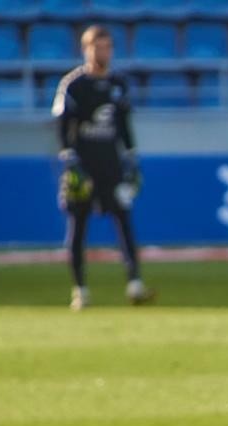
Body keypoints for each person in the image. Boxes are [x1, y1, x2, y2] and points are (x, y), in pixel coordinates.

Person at [53, 24, 153, 311]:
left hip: (111, 165)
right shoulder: (74, 85)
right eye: (97, 46)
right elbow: (63, 127)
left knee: (124, 222)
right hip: (84, 166)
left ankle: (135, 283)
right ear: (86, 49)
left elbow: (124, 125)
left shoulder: (119, 84)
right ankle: (80, 290)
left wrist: (131, 158)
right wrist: (70, 160)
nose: (103, 52)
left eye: (107, 46)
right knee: (78, 228)